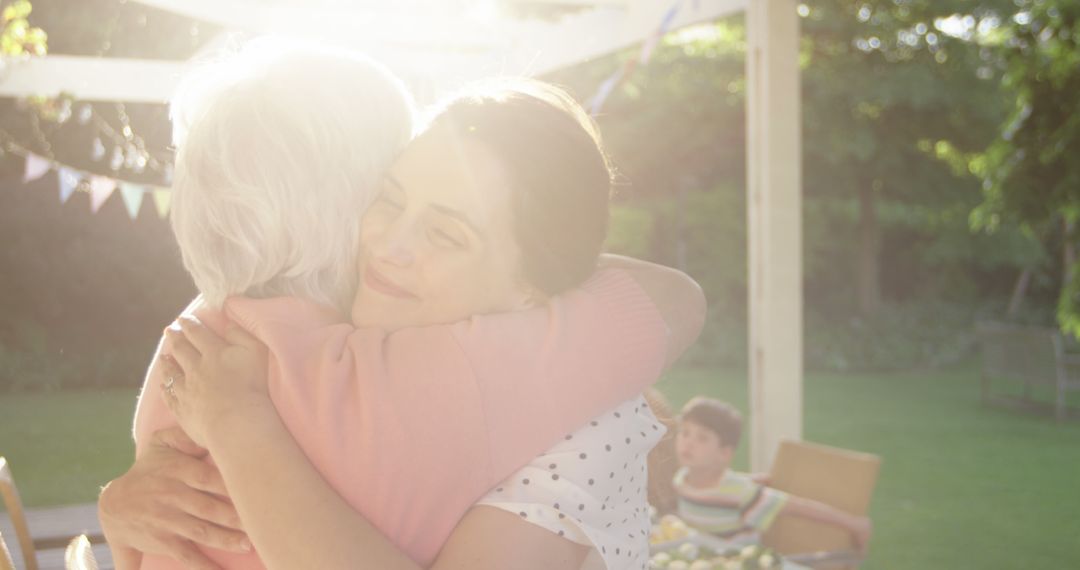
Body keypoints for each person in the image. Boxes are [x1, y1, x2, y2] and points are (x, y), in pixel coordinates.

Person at [99, 42, 705, 570]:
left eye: (446, 233)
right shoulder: (292, 355)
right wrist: (120, 503)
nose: (391, 245)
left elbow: (673, 299)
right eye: (387, 198)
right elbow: (669, 300)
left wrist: (238, 426)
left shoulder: (204, 342)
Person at [672, 397, 872, 552]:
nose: (687, 442)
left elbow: (797, 507)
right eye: (685, 432)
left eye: (702, 438)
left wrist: (854, 524)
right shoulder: (682, 479)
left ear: (724, 454)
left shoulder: (741, 493)